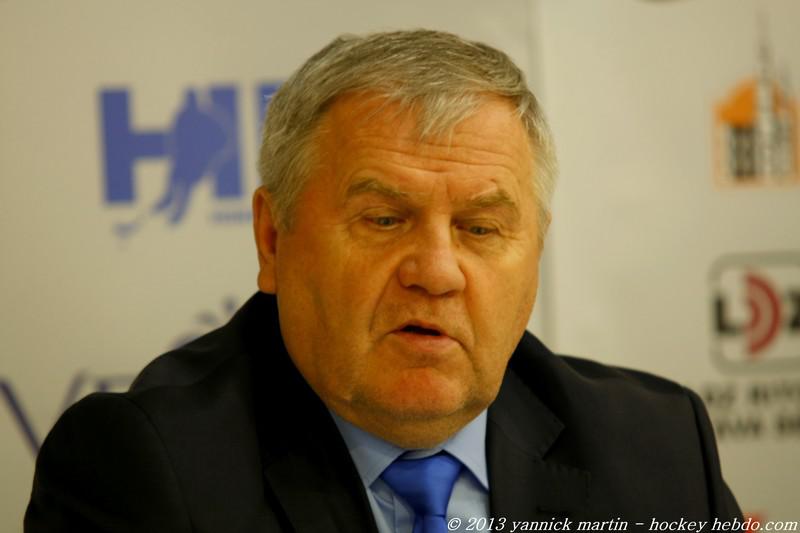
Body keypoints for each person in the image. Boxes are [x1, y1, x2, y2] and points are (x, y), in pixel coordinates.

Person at [25, 29, 741, 533]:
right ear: (273, 239)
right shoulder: (146, 469)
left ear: (537, 251)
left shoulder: (658, 447)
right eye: (384, 219)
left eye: (480, 228)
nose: (437, 272)